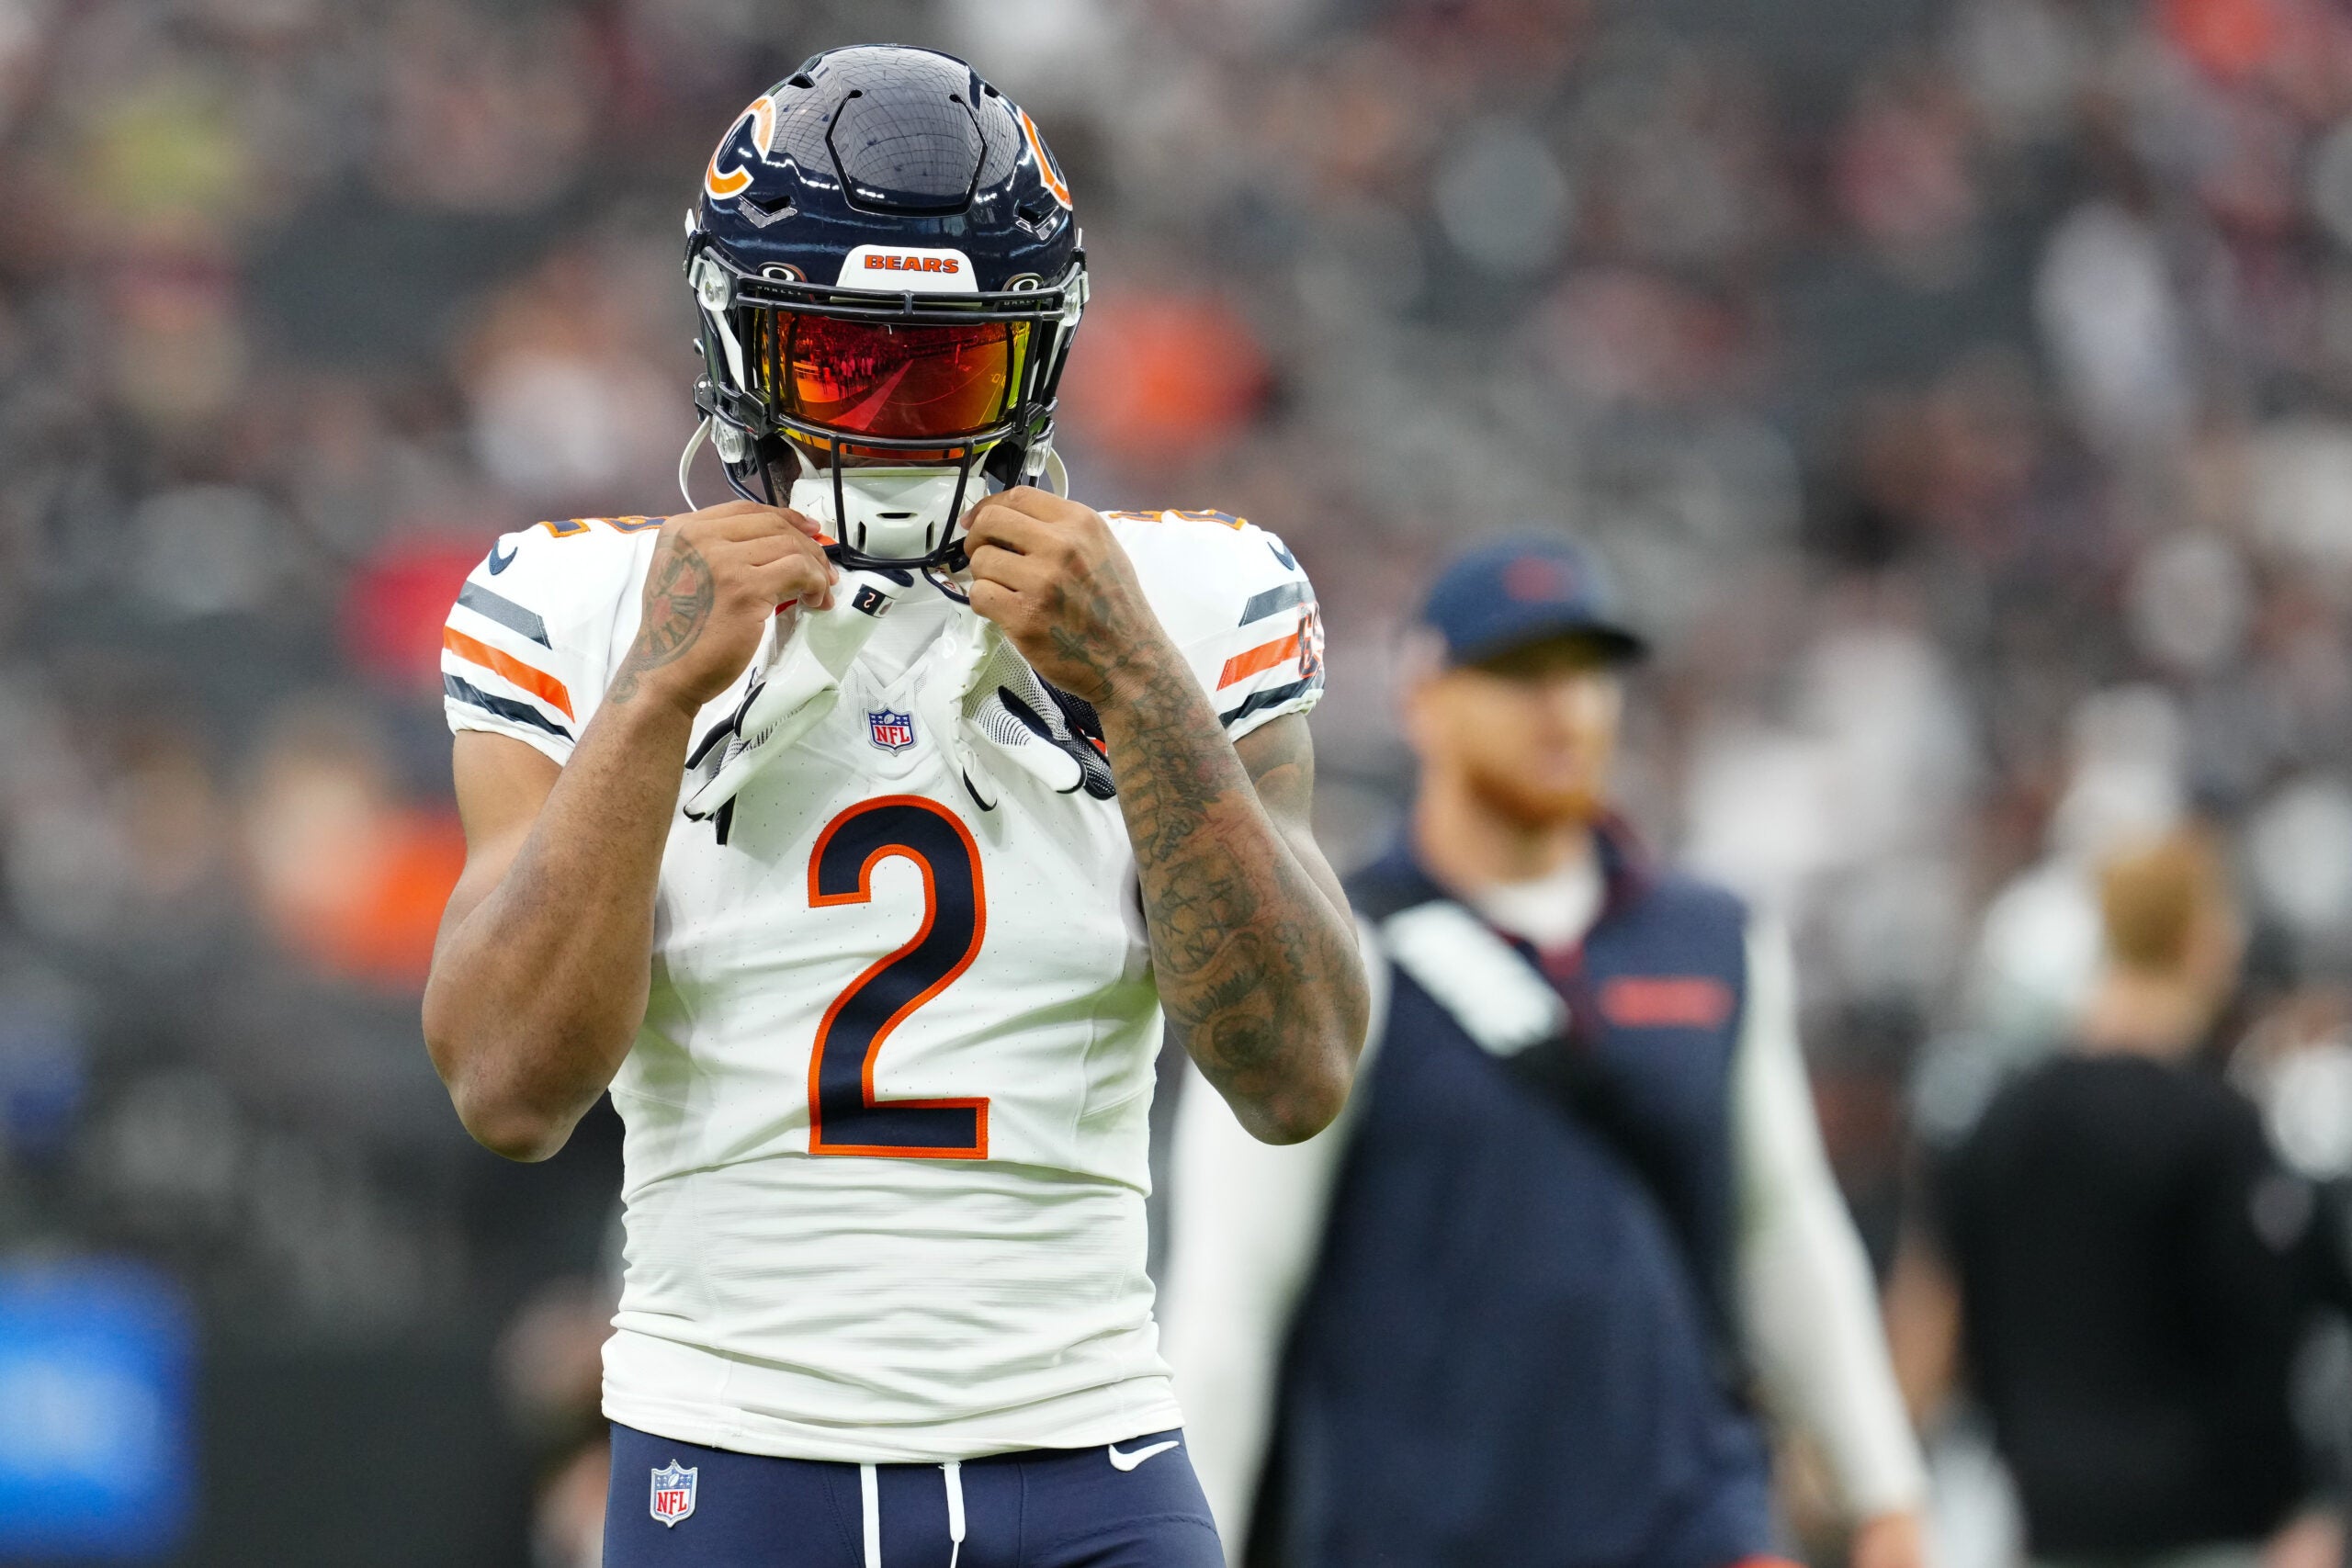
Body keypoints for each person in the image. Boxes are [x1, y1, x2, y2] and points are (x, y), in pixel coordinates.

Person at [421, 46, 1368, 1568]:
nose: (895, 421)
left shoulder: (1190, 602)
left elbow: (1298, 1066)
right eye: (841, 360)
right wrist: (655, 697)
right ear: (742, 344)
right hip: (736, 1452)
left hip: (1091, 1448)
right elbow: (508, 1087)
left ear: (1037, 355)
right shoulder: (581, 606)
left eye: (949, 367)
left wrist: (1140, 687)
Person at [1161, 536, 1929, 1568]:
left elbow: (1780, 1225)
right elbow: (1230, 1300)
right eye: (1517, 672)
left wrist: (1883, 1494)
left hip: (1689, 1529)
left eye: (1585, 670)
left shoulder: (1711, 939)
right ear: (1422, 696)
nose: (1562, 704)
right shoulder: (1335, 957)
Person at [1898, 829, 2329, 1568]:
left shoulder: (1998, 1123)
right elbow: (2262, 1345)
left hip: (2045, 1526)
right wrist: (2308, 1507)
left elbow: (1925, 1335)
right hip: (2210, 1533)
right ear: (2201, 937)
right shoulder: (2220, 1129)